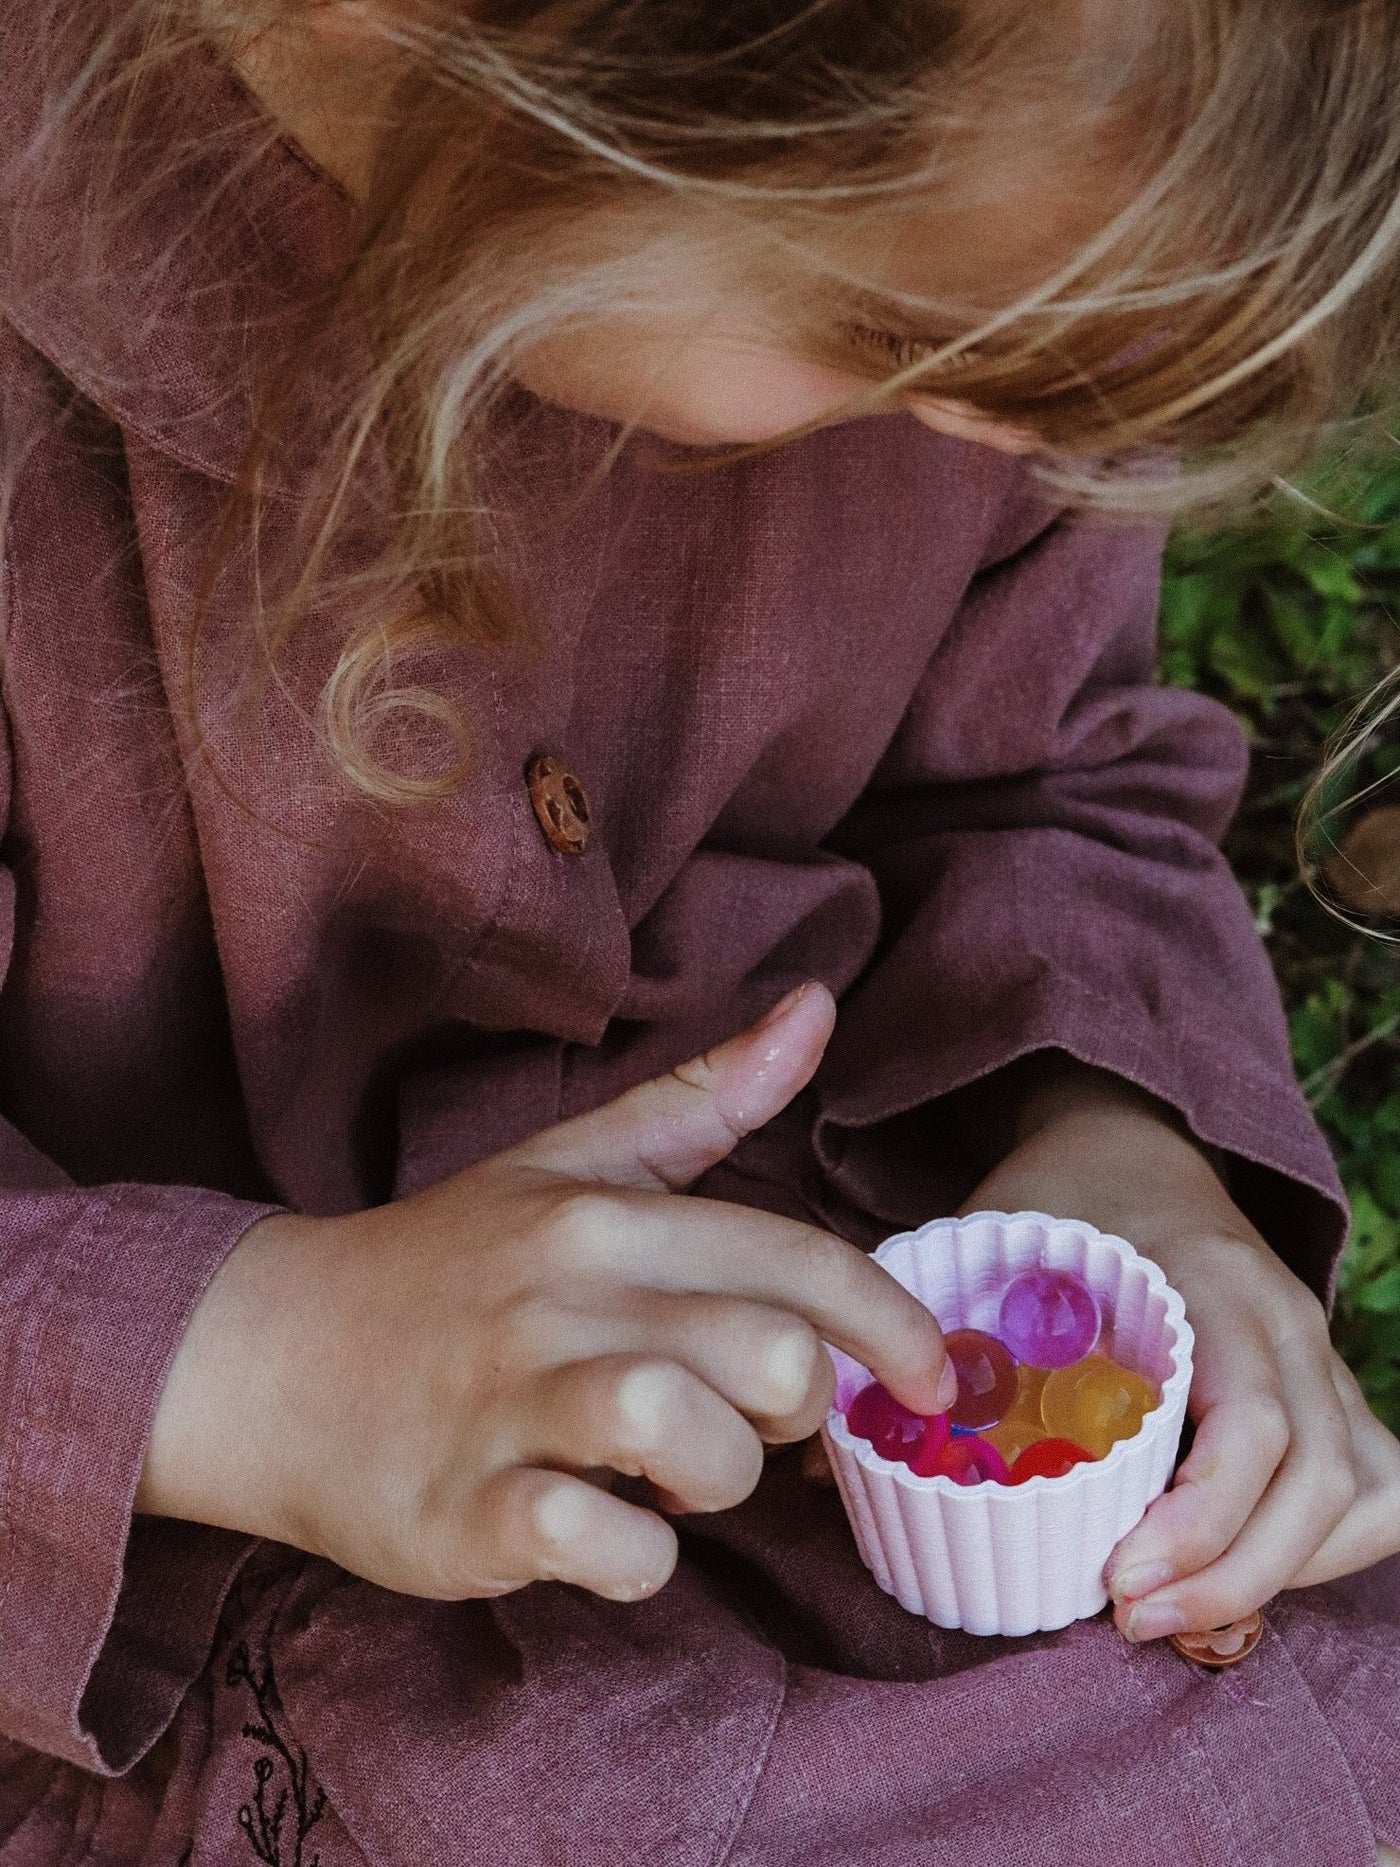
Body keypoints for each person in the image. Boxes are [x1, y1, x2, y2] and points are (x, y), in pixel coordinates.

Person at [0, 1, 1398, 1861]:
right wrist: (254, 1369)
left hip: (861, 1395)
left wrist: (1110, 1148)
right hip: (207, 1608)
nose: (991, 432)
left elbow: (1043, 775)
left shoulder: (1010, 195)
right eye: (908, 335)